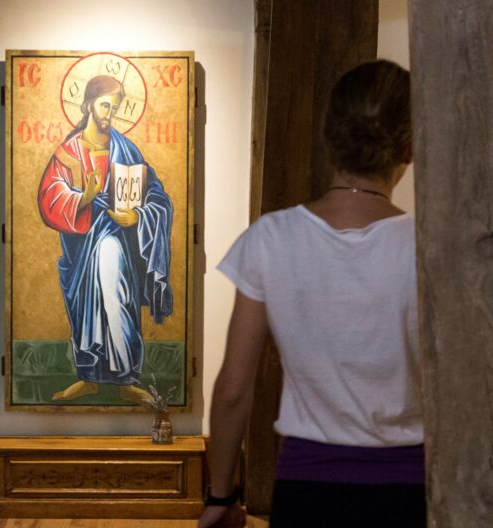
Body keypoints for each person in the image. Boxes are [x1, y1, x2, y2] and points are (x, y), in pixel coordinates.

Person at [199, 60, 424, 528]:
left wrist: (221, 495)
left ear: (328, 138)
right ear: (409, 146)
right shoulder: (428, 246)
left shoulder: (272, 238)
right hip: (409, 488)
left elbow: (234, 389)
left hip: (307, 488)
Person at [37, 75, 173, 404]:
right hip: (81, 249)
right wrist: (85, 197)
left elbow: (157, 196)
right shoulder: (68, 153)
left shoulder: (126, 149)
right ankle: (89, 379)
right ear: (88, 105)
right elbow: (49, 198)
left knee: (116, 290)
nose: (109, 113)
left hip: (119, 241)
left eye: (114, 107)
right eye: (103, 105)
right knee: (89, 302)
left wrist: (138, 217)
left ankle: (126, 380)